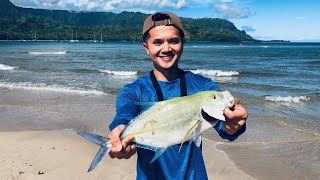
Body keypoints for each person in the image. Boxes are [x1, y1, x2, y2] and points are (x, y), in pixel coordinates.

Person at [108, 12, 248, 179]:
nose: (166, 49)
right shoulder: (133, 91)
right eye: (157, 42)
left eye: (173, 41)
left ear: (183, 43)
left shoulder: (203, 87)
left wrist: (234, 125)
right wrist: (119, 134)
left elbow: (226, 128)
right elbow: (124, 114)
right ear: (146, 47)